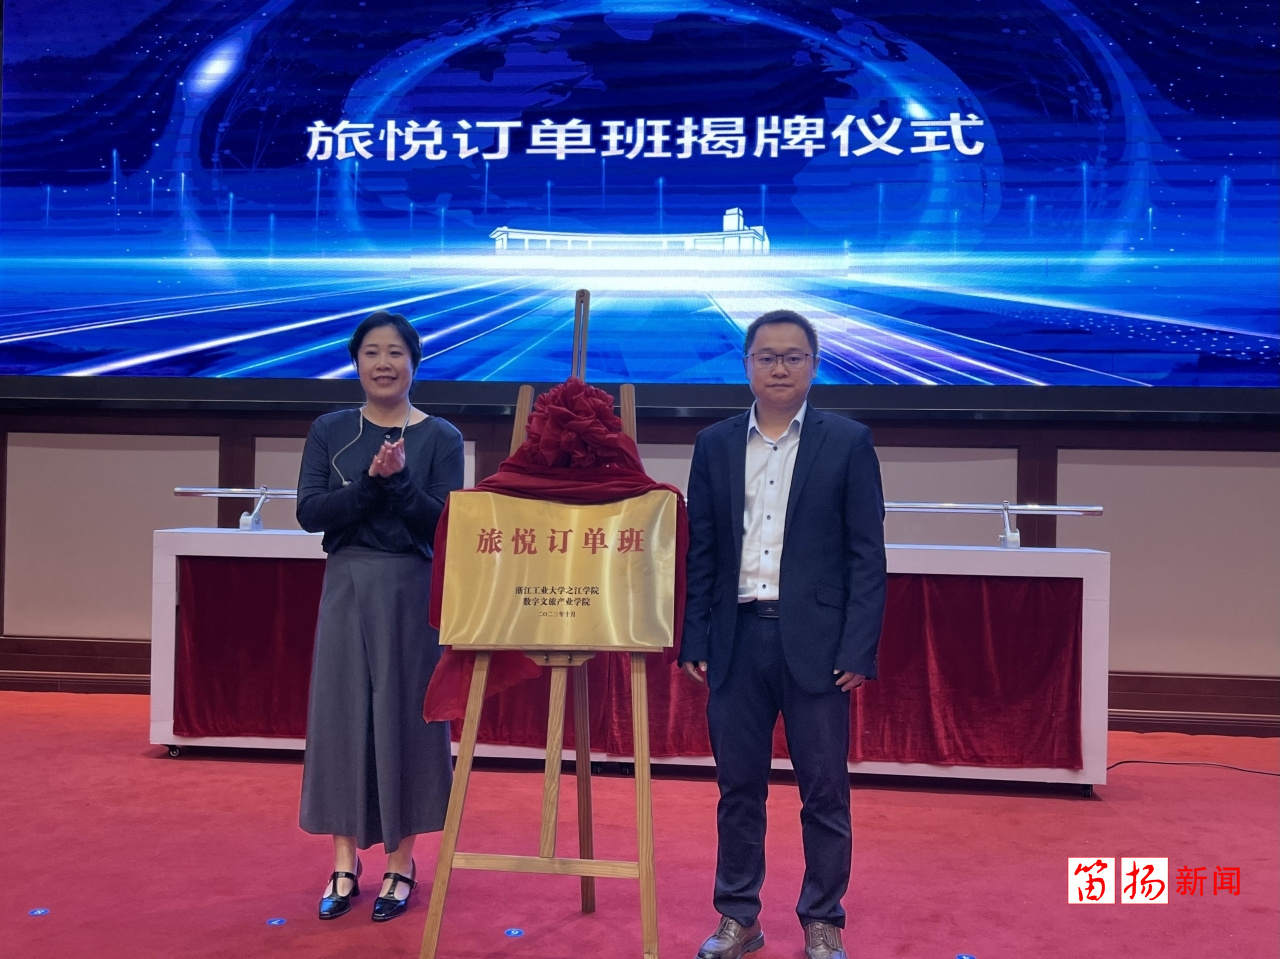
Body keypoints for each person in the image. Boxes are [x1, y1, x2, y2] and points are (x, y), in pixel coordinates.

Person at [678, 310, 887, 959]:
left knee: (824, 791)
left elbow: (866, 555)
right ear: (746, 365)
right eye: (766, 356)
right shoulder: (714, 444)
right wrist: (694, 637)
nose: (779, 367)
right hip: (735, 640)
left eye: (793, 356)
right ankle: (738, 916)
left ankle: (823, 918)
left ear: (813, 366)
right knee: (738, 789)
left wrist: (858, 647)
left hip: (819, 647)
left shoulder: (847, 441)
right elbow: (701, 551)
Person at [295, 311, 464, 923]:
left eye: (395, 352)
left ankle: (401, 863)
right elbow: (312, 512)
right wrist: (370, 483)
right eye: (371, 352)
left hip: (410, 589)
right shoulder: (331, 429)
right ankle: (344, 863)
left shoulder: (441, 436)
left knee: (405, 718)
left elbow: (443, 523)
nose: (384, 363)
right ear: (356, 362)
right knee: (340, 716)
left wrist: (396, 485)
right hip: (346, 583)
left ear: (414, 362)